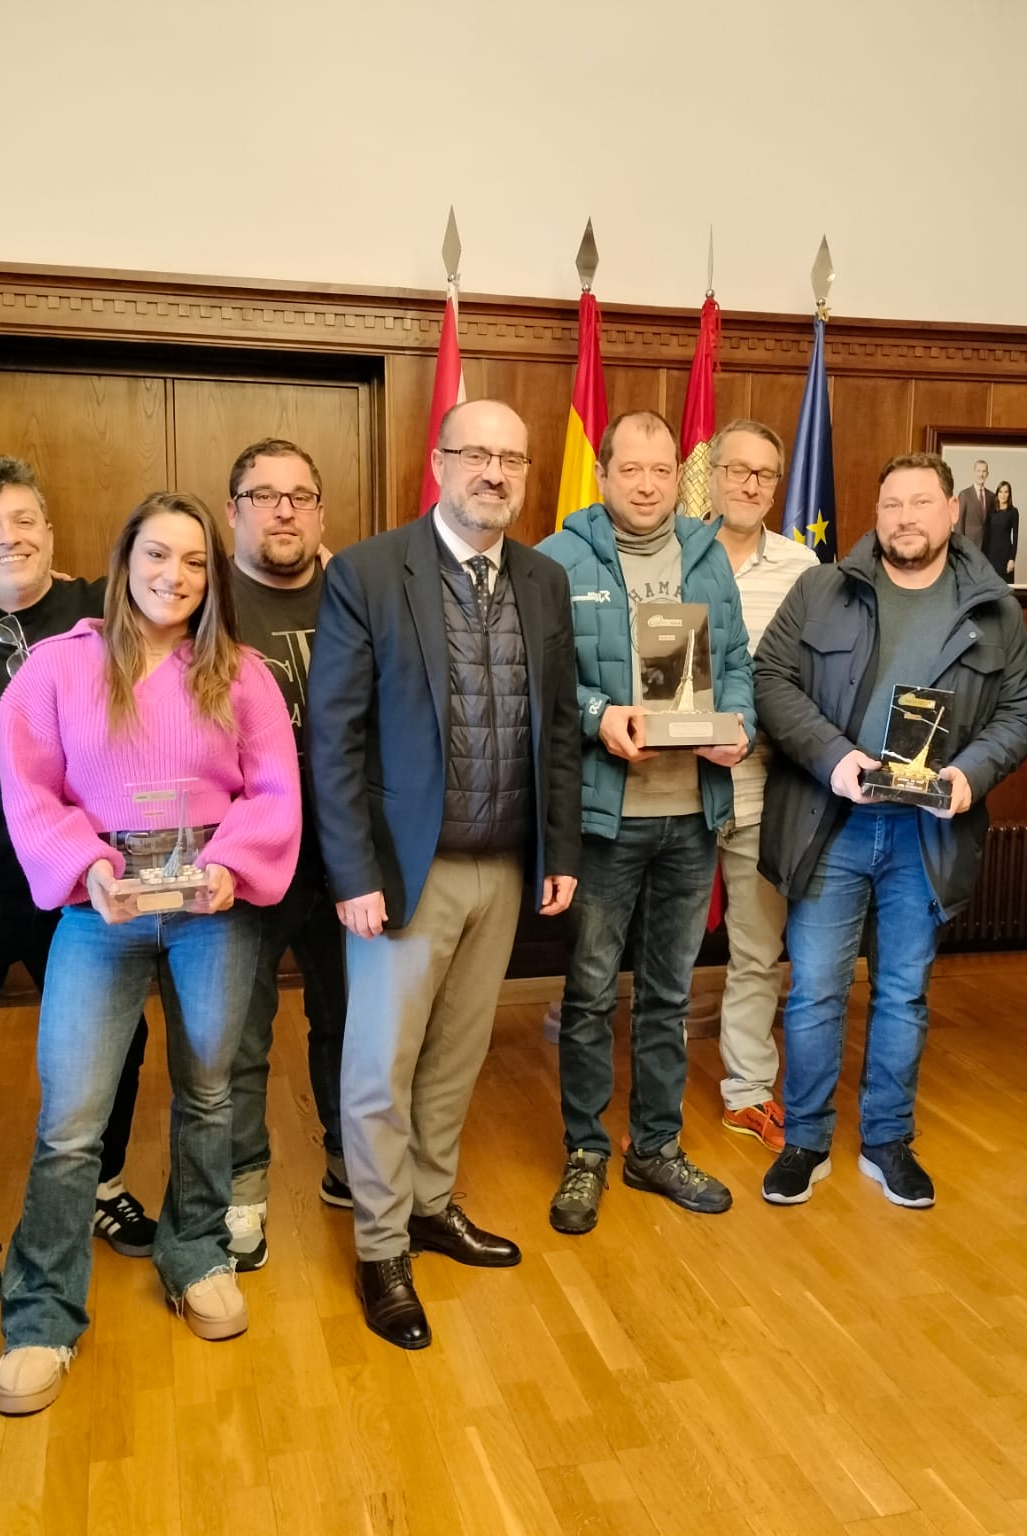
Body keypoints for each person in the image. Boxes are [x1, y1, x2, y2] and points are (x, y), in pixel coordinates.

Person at [0, 491, 301, 1414]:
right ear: (124, 561)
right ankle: (42, 1311)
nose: (176, 576)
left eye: (197, 562)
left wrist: (231, 867)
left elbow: (274, 789)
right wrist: (84, 867)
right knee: (72, 1119)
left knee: (209, 1091)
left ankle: (197, 1255)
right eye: (158, 556)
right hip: (103, 908)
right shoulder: (56, 668)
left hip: (212, 902)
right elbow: (30, 788)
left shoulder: (241, 673)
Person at [309, 399, 580, 1350]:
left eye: (513, 457)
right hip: (401, 871)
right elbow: (333, 738)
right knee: (380, 1069)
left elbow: (559, 728)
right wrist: (351, 868)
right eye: (477, 454)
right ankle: (381, 1247)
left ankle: (429, 1205)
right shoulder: (371, 573)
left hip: (504, 866)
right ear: (440, 462)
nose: (495, 473)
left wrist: (561, 854)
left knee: (457, 1058)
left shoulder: (543, 581)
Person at [754, 453, 1027, 1206]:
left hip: (927, 834)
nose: (905, 518)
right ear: (875, 515)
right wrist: (833, 758)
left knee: (904, 994)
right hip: (833, 821)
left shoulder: (993, 609)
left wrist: (969, 776)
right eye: (891, 505)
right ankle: (807, 1139)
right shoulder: (822, 588)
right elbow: (771, 680)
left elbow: (1021, 711)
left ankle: (887, 1140)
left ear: (953, 513)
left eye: (921, 503)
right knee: (814, 989)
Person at [0, 455, 157, 1310]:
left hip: (82, 883)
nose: (6, 539)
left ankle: (102, 1185)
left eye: (21, 522)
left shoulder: (101, 612)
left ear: (49, 533)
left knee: (118, 1045)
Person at [538, 409, 755, 1235]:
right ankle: (587, 1151)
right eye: (631, 469)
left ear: (679, 477)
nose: (647, 484)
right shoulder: (560, 559)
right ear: (604, 475)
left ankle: (655, 1146)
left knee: (668, 993)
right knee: (592, 994)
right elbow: (546, 683)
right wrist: (600, 715)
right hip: (606, 818)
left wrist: (739, 728)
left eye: (662, 471)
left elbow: (734, 665)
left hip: (691, 815)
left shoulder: (706, 557)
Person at [220, 437, 350, 1273]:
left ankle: (349, 1161)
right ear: (233, 511)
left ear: (320, 513)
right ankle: (241, 1190)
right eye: (263, 496)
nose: (284, 510)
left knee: (349, 1021)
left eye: (300, 496)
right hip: (244, 853)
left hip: (345, 849)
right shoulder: (205, 602)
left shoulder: (359, 591)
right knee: (239, 1033)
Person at [702, 418, 817, 1150]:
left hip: (762, 788)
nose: (749, 484)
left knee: (756, 950)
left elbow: (815, 678)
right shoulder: (673, 552)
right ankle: (651, 1113)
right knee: (660, 950)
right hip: (672, 788)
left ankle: (746, 1092)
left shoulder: (805, 569)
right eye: (736, 469)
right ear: (709, 475)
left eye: (764, 473)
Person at [984, 480, 1020, 584]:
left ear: (1009, 494)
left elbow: (1016, 536)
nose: (1003, 495)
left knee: (1006, 590)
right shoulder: (991, 511)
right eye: (1000, 491)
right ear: (997, 493)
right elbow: (987, 535)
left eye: (1006, 492)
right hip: (991, 556)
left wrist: (1012, 559)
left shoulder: (1013, 512)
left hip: (1006, 556)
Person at [957, 460, 994, 548]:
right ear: (974, 473)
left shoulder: (991, 496)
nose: (981, 474)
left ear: (987, 474)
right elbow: (959, 524)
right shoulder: (964, 495)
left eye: (984, 471)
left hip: (987, 547)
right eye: (978, 471)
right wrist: (961, 546)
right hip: (969, 546)